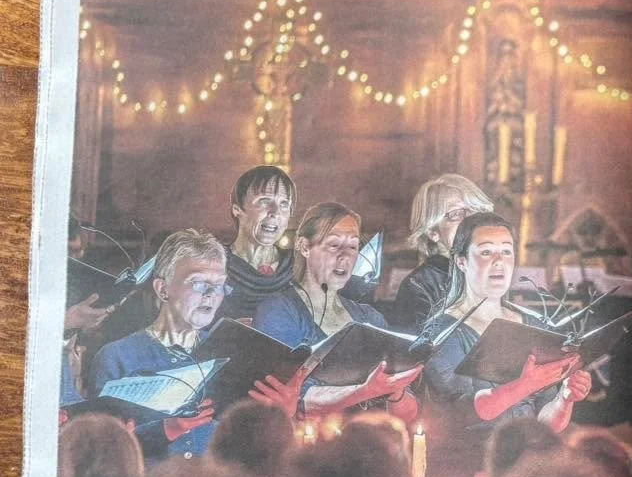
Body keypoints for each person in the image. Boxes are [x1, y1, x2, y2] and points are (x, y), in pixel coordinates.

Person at [419, 212, 590, 477]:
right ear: (461, 261)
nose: (499, 262)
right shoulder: (441, 331)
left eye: (506, 252)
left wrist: (565, 397)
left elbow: (546, 423)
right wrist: (526, 384)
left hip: (526, 475)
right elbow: (469, 411)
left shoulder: (533, 326)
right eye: (486, 252)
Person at [253, 203, 421, 422]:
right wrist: (365, 391)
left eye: (352, 246)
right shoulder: (279, 311)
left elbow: (407, 414)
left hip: (368, 445)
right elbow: (290, 402)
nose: (345, 256)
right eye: (334, 245)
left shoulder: (371, 318)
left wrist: (396, 390)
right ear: (304, 247)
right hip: (308, 448)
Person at [88, 229, 231, 461]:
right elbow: (101, 452)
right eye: (198, 283)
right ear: (163, 289)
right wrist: (166, 429)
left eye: (219, 285)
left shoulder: (229, 352)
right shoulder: (116, 358)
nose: (211, 295)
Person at [392, 174, 494, 333]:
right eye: (456, 214)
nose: (472, 221)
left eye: (476, 211)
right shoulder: (418, 286)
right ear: (433, 232)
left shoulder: (491, 272)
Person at [217, 165, 296, 322]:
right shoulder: (214, 264)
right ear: (237, 209)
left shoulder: (299, 265)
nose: (275, 212)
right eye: (265, 201)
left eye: (284, 204)